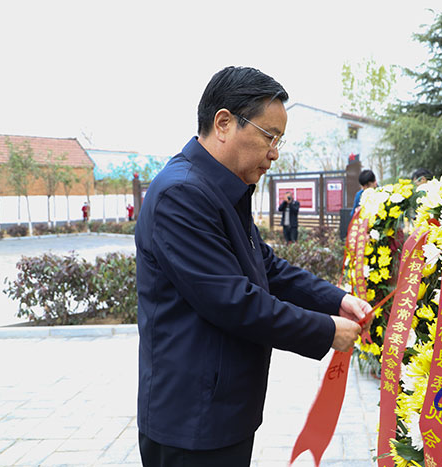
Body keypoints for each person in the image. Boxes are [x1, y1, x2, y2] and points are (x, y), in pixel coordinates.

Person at [134, 66, 371, 467]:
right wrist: (326, 330)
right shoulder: (182, 195)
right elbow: (233, 301)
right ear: (224, 123)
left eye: (279, 139)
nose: (275, 152)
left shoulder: (221, 188)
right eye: (269, 136)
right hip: (192, 420)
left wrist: (337, 300)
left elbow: (266, 267)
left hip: (221, 409)